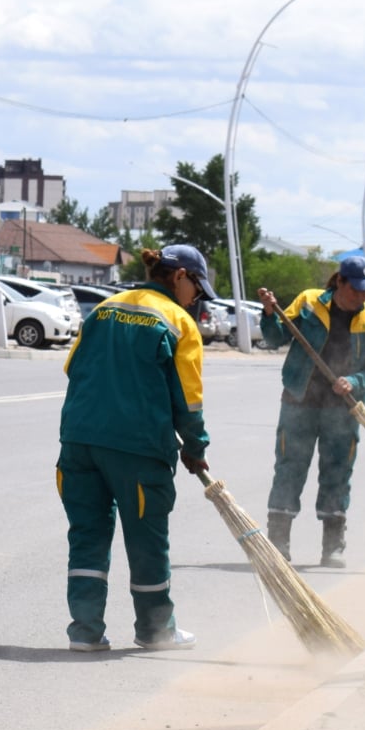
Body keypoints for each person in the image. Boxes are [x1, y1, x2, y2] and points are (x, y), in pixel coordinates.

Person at [56, 243, 211, 652]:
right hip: (137, 448)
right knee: (147, 541)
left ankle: (85, 632)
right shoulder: (178, 322)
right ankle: (155, 631)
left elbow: (73, 368)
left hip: (78, 441)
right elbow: (189, 401)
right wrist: (195, 446)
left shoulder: (104, 309)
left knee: (87, 536)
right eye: (197, 288)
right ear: (180, 276)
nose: (196, 298)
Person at [259, 254, 365, 569]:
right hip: (299, 402)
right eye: (356, 289)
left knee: (337, 473)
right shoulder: (309, 303)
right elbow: (275, 337)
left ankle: (333, 546)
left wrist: (354, 382)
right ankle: (278, 541)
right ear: (339, 282)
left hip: (342, 410)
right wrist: (269, 313)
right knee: (289, 468)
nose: (361, 296)